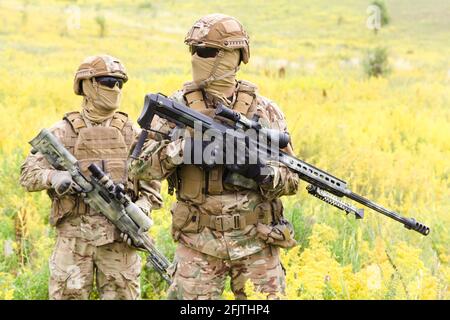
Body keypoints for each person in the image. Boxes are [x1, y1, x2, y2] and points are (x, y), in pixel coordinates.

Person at [129, 14, 299, 300]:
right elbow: (138, 167)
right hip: (198, 246)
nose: (197, 57)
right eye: (193, 50)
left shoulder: (265, 112)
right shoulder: (176, 107)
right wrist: (185, 150)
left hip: (257, 244)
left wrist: (259, 171)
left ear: (236, 55)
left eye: (207, 51)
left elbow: (293, 179)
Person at [20, 55, 162, 300]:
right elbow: (27, 175)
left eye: (120, 83)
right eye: (108, 81)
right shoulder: (62, 132)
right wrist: (54, 176)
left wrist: (141, 209)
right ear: (87, 84)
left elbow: (152, 188)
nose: (115, 88)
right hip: (74, 243)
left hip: (120, 242)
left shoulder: (132, 134)